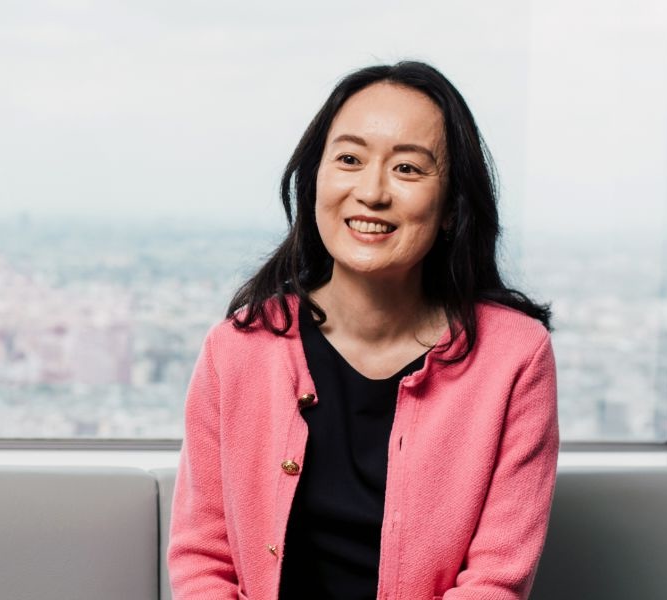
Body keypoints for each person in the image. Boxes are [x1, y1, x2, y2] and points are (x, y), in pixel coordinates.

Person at [166, 61, 558, 600]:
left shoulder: (515, 357)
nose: (371, 192)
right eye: (349, 159)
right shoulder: (235, 349)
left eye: (408, 169)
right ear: (315, 180)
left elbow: (495, 579)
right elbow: (203, 561)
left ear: (450, 208)